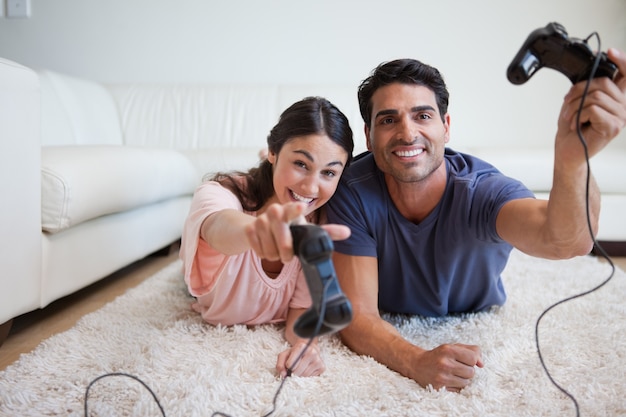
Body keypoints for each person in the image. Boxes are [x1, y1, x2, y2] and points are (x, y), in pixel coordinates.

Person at [326, 49, 626, 391]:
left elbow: (567, 241)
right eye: (388, 119)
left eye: (423, 116)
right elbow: (357, 316)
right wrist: (415, 360)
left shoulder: (482, 191)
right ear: (368, 136)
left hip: (476, 310)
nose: (407, 133)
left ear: (446, 127)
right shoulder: (351, 189)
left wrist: (574, 158)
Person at [180, 96, 354, 378]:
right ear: (272, 152)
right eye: (300, 163)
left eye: (329, 172)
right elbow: (218, 227)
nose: (311, 186)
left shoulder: (322, 222)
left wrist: (305, 346)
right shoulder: (218, 193)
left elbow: (301, 309)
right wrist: (255, 232)